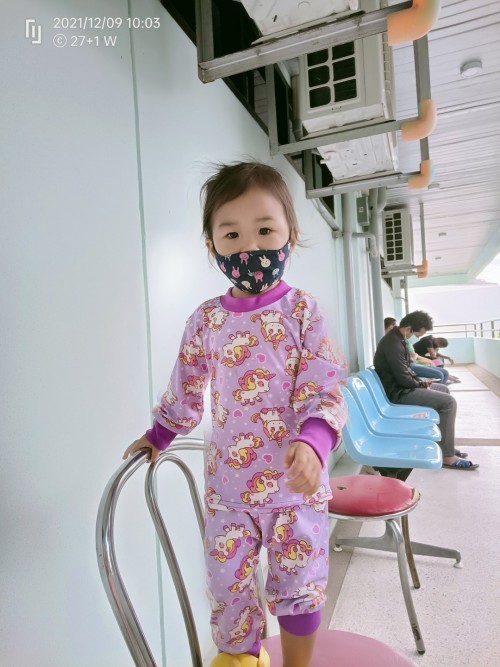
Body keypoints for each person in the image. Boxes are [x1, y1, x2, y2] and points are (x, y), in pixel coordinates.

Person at [123, 162, 348, 667]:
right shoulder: (206, 320)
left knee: (298, 587)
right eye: (232, 234)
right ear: (212, 246)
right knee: (228, 592)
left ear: (290, 235)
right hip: (229, 490)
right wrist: (158, 435)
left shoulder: (303, 312)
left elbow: (325, 387)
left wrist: (314, 441)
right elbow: (186, 385)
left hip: (294, 487)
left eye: (265, 231)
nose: (251, 248)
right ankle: (243, 659)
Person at [373, 310, 478, 471]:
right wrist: (420, 384)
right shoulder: (392, 343)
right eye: (417, 334)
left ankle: (443, 445)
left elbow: (406, 370)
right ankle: (447, 456)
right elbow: (403, 378)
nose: (417, 338)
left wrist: (421, 382)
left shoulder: (398, 339)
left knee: (443, 389)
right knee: (449, 403)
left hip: (403, 387)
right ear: (408, 328)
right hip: (398, 393)